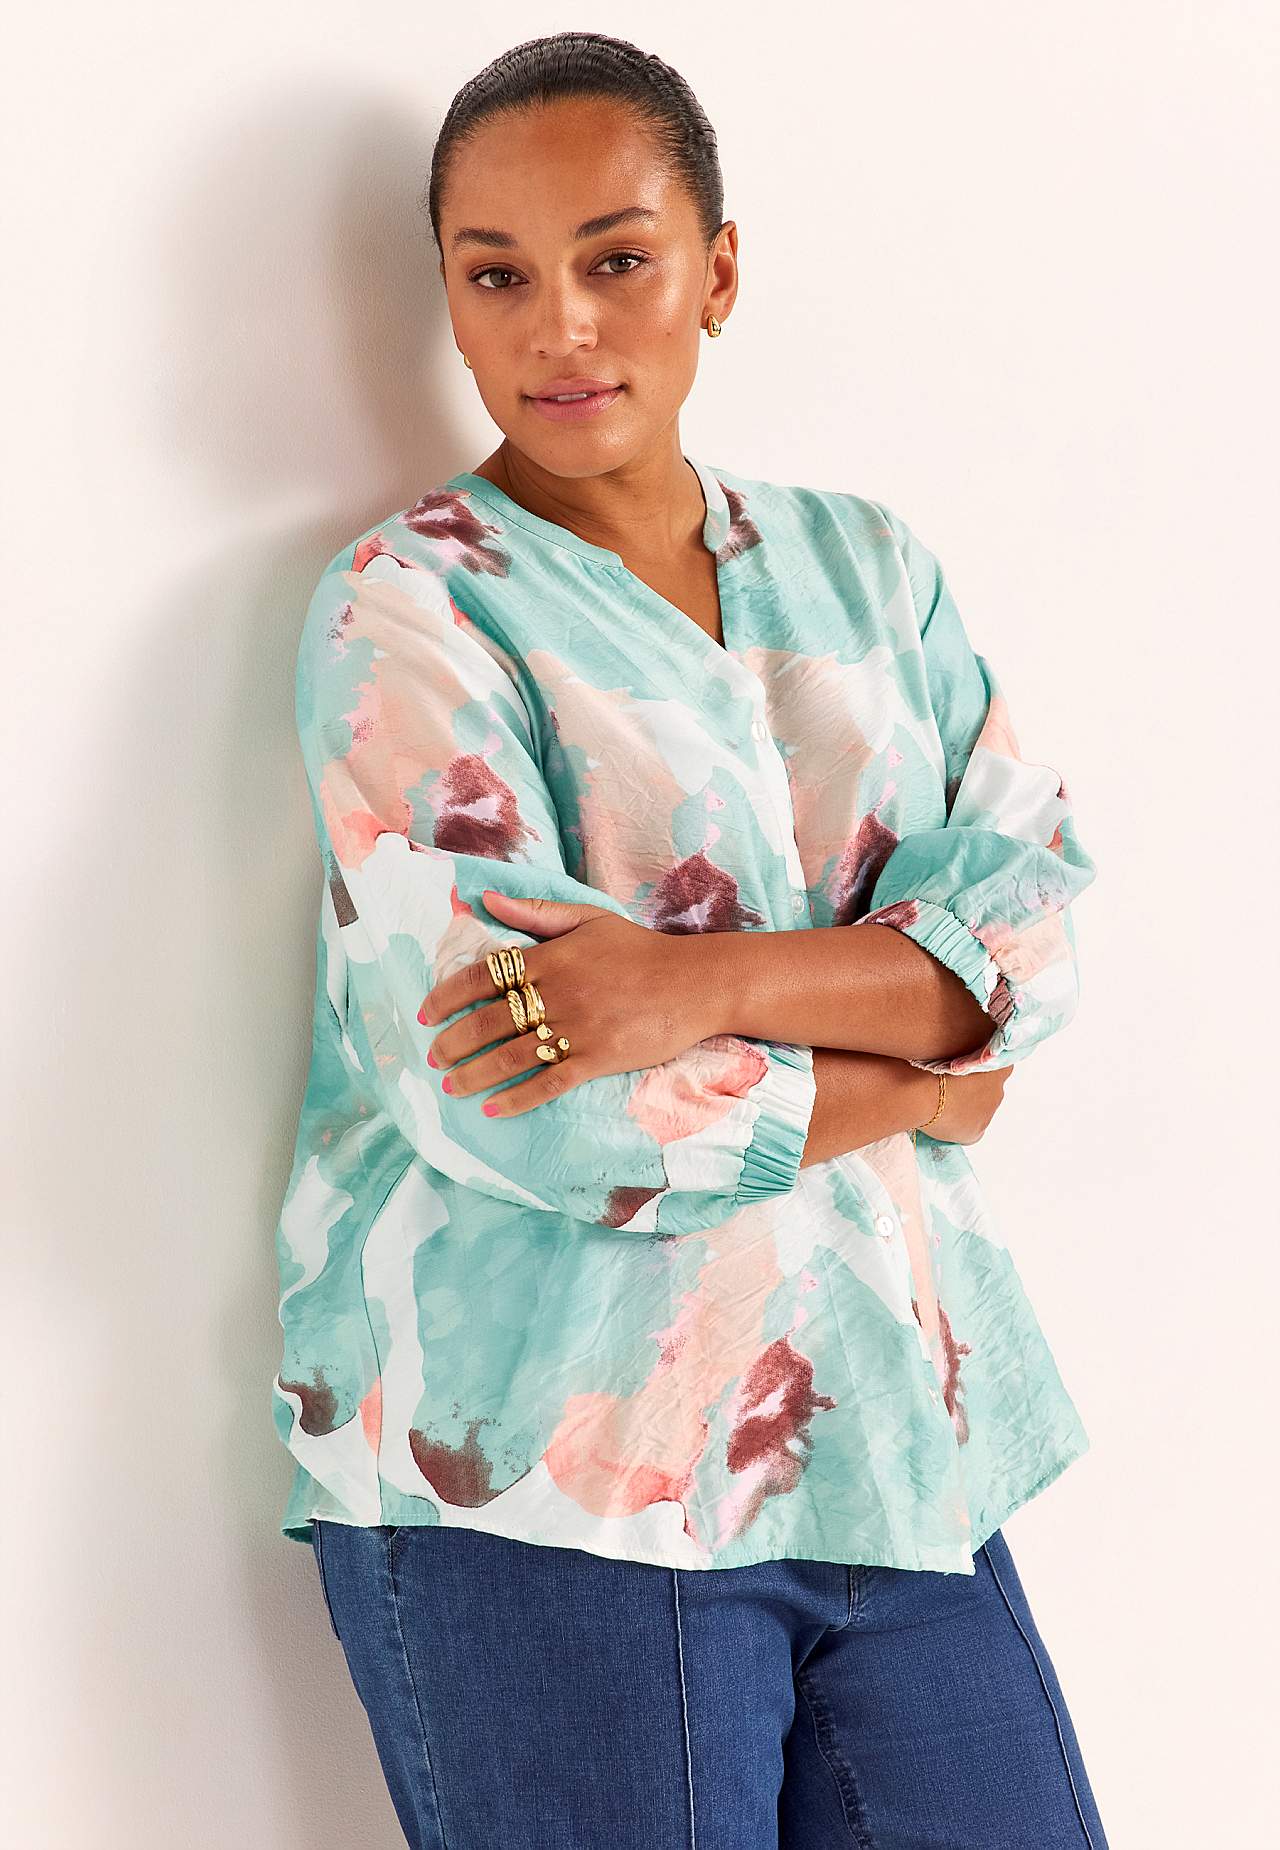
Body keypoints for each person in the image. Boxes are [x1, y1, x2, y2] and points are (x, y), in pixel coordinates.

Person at [271, 30, 1110, 1850]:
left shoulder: (869, 570)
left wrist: (688, 983)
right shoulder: (407, 612)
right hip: (545, 1482)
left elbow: (1037, 929)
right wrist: (925, 1078)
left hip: (896, 1441)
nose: (561, 324)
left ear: (719, 270)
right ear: (447, 297)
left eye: (618, 258)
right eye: (498, 275)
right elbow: (545, 1101)